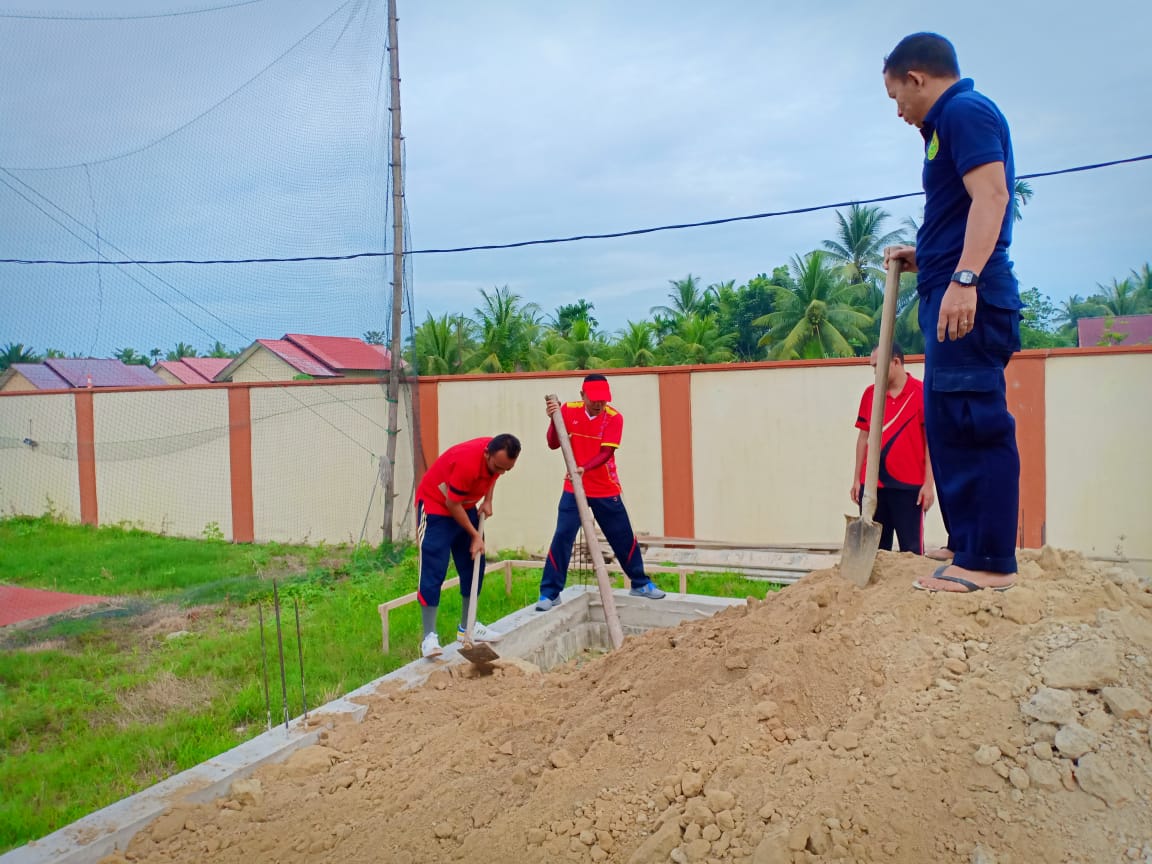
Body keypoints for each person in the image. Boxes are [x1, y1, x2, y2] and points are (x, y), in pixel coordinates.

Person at [881, 32, 1021, 592]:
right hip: (947, 289)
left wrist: (964, 278)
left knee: (972, 421)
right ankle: (969, 544)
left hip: (971, 296)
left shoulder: (963, 111)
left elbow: (992, 197)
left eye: (897, 97)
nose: (899, 111)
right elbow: (964, 209)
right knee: (946, 422)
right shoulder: (941, 129)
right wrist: (930, 257)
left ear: (917, 77)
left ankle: (988, 562)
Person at [536, 373, 666, 610]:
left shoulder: (614, 418)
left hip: (605, 487)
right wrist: (553, 419)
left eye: (603, 401)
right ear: (582, 395)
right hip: (573, 487)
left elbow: (606, 453)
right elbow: (554, 443)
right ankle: (549, 593)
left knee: (623, 536)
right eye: (594, 399)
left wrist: (584, 468)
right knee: (563, 536)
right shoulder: (567, 410)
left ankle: (640, 583)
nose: (598, 405)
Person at [414, 434, 521, 657]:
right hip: (437, 506)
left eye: (506, 469)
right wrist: (475, 535)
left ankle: (467, 627)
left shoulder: (497, 455)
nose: (501, 472)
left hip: (465, 505)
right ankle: (429, 637)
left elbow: (492, 475)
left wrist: (488, 500)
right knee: (435, 567)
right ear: (486, 454)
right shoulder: (467, 463)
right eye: (498, 467)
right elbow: (451, 503)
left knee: (474, 564)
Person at [850, 342, 936, 554]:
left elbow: (930, 442)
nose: (874, 372)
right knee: (873, 553)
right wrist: (856, 480)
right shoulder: (870, 395)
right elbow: (863, 438)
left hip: (909, 488)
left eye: (877, 366)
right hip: (872, 487)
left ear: (896, 362)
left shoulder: (922, 393)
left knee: (912, 551)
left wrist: (929, 484)